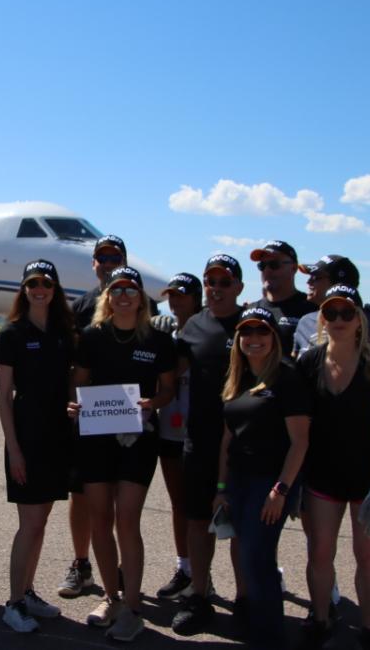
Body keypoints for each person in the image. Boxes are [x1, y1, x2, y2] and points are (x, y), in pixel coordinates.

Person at [293, 254, 370, 639]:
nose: (339, 319)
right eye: (332, 313)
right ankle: (321, 618)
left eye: (347, 312)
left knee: (368, 557)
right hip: (324, 474)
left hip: (366, 476)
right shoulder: (308, 362)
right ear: (322, 319)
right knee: (320, 553)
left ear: (359, 319)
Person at [68, 267, 177, 642]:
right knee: (99, 519)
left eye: (132, 289)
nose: (125, 296)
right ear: (107, 297)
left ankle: (132, 607)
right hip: (97, 437)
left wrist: (152, 403)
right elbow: (79, 385)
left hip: (138, 438)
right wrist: (75, 407)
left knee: (126, 520)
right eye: (118, 290)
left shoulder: (159, 340)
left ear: (142, 298)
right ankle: (110, 597)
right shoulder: (91, 337)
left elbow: (168, 390)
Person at [215, 306, 310, 648]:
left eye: (262, 332)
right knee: (248, 557)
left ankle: (270, 636)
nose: (254, 339)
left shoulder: (287, 377)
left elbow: (300, 441)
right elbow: (228, 438)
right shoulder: (237, 379)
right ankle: (260, 628)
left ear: (274, 338)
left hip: (269, 483)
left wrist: (281, 489)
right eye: (247, 332)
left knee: (258, 557)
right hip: (239, 481)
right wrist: (221, 487)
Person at [0, 259, 76, 632]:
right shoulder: (11, 333)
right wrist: (13, 448)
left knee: (41, 521)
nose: (39, 288)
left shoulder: (64, 331)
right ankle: (12, 603)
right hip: (26, 435)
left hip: (57, 435)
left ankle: (27, 592)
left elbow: (71, 383)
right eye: (32, 282)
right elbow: (4, 398)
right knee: (29, 523)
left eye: (46, 281)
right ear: (24, 289)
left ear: (55, 288)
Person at [171, 254, 245, 635]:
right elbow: (168, 376)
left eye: (224, 282)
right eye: (210, 282)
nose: (216, 289)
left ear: (239, 287)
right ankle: (200, 595)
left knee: (242, 526)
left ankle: (245, 600)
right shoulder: (192, 328)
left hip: (247, 443)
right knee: (198, 522)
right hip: (199, 441)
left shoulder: (253, 324)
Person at [59, 234, 127, 598]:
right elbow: (70, 362)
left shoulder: (142, 303)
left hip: (127, 416)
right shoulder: (80, 307)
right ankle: (82, 564)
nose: (108, 262)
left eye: (115, 256)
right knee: (82, 494)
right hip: (88, 417)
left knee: (121, 498)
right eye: (102, 257)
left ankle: (117, 566)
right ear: (94, 263)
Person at [153, 273, 203, 600]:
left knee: (203, 506)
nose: (175, 301)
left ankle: (202, 574)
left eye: (182, 295)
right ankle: (184, 567)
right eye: (171, 295)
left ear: (196, 298)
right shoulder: (164, 330)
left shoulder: (207, 331)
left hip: (201, 432)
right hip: (170, 429)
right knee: (178, 503)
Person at [248, 241, 316, 357]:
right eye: (262, 266)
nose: (267, 271)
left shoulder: (312, 310)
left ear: (293, 268)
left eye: (274, 265)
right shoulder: (250, 311)